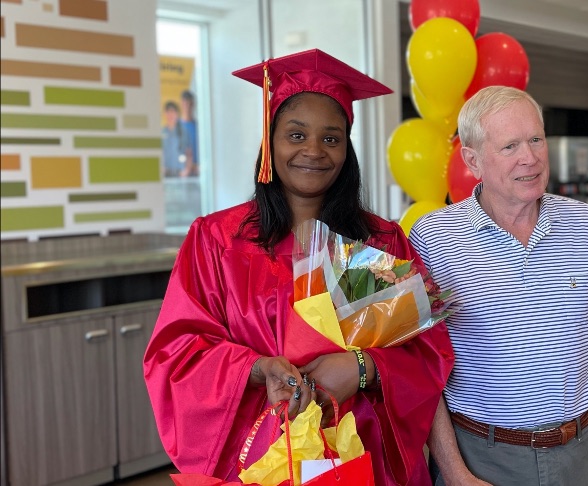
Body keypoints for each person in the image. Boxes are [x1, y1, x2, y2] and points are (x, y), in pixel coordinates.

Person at [143, 48, 454, 485]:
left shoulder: (378, 240)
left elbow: (427, 352)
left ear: (347, 149)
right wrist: (256, 369)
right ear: (270, 143)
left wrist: (363, 367)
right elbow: (176, 353)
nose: (314, 151)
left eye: (331, 138)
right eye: (296, 135)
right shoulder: (217, 240)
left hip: (363, 452)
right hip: (255, 458)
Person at [409, 86, 588, 486]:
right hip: (484, 459)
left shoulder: (587, 225)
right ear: (472, 159)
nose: (529, 158)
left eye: (536, 139)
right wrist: (455, 472)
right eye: (510, 146)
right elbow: (420, 365)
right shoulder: (433, 239)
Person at [161, 100, 188, 177]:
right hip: (166, 172)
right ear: (165, 114)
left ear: (177, 114)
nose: (170, 115)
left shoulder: (183, 132)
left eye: (173, 112)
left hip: (180, 172)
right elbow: (160, 152)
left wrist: (186, 170)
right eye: (168, 112)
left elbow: (188, 152)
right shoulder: (162, 132)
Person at [179, 89, 198, 176]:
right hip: (181, 174)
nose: (187, 107)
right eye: (185, 103)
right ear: (181, 104)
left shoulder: (199, 128)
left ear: (193, 104)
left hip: (197, 172)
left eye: (189, 103)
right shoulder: (176, 128)